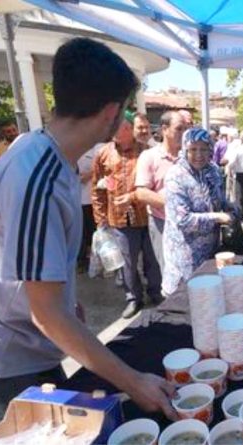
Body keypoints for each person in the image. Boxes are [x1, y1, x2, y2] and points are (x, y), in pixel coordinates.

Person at [0, 38, 177, 432]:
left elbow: (37, 285)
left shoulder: (41, 154)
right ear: (111, 112)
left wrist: (62, 303)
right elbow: (46, 313)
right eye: (125, 110)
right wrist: (134, 382)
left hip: (16, 346)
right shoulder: (36, 176)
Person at [92, 113, 163, 319]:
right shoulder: (103, 154)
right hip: (119, 219)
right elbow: (97, 189)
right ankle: (133, 298)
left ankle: (155, 292)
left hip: (148, 214)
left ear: (129, 129)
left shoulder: (147, 152)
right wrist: (100, 220)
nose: (112, 131)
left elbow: (157, 184)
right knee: (127, 262)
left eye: (117, 127)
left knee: (153, 259)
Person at [162, 128, 236, 296]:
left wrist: (230, 206)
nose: (199, 154)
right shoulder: (176, 176)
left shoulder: (213, 170)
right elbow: (184, 220)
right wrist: (218, 217)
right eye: (193, 149)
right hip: (185, 258)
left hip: (211, 253)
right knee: (186, 304)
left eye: (204, 149)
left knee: (210, 301)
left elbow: (218, 199)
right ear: (184, 149)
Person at [133, 110, 187, 289]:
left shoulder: (190, 156)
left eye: (186, 129)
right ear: (164, 129)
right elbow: (141, 192)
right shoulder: (149, 157)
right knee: (170, 274)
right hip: (162, 223)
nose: (183, 134)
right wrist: (174, 205)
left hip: (190, 223)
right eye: (179, 129)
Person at [76, 143, 101, 272]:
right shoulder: (70, 147)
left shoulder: (97, 147)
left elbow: (102, 166)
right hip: (75, 200)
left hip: (92, 199)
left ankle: (96, 261)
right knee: (80, 233)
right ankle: (81, 262)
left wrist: (89, 174)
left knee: (94, 231)